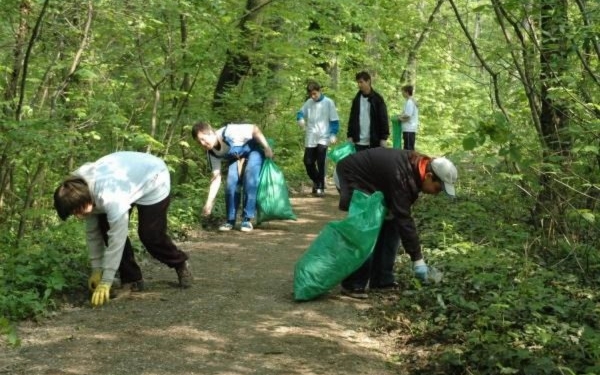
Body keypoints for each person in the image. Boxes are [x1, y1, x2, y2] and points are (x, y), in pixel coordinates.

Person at [53, 151, 193, 307]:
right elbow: (93, 234)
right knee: (104, 228)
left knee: (150, 235)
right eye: (74, 214)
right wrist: (96, 269)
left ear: (85, 200)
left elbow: (117, 238)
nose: (78, 216)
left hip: (154, 178)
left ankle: (180, 263)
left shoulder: (109, 196)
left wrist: (106, 280)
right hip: (126, 181)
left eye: (77, 211)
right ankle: (132, 280)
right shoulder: (81, 191)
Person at [336, 148, 457, 299]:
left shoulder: (414, 170)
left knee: (391, 224)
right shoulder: (403, 176)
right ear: (429, 176)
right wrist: (417, 259)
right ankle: (353, 284)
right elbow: (404, 219)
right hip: (351, 176)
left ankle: (382, 280)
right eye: (438, 188)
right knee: (367, 229)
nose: (436, 193)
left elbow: (400, 213)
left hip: (374, 182)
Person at [191, 121, 274, 232]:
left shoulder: (229, 132)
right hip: (236, 157)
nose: (202, 143)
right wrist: (209, 202)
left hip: (254, 150)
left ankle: (247, 220)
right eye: (198, 142)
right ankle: (230, 221)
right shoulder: (211, 153)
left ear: (211, 132)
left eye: (203, 139)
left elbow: (255, 129)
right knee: (231, 183)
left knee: (250, 179)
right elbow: (216, 178)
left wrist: (267, 147)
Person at [296, 81, 340, 197]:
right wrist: (300, 119)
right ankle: (317, 181)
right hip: (311, 135)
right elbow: (300, 112)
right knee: (308, 161)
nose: (313, 96)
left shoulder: (328, 103)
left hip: (324, 136)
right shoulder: (309, 102)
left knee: (321, 161)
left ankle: (320, 187)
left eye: (315, 94)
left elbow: (334, 120)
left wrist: (333, 133)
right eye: (311, 94)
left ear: (319, 91)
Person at [347, 71, 390, 151]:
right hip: (358, 141)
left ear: (368, 81)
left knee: (374, 163)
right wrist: (350, 135)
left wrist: (383, 138)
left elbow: (383, 119)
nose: (359, 85)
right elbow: (352, 118)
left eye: (361, 82)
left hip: (373, 141)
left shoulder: (377, 99)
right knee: (359, 163)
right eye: (358, 82)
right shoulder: (356, 99)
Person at [397, 85, 419, 150]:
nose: (402, 94)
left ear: (407, 92)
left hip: (409, 128)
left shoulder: (410, 102)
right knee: (407, 148)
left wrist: (400, 118)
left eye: (403, 92)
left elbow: (408, 115)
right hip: (408, 129)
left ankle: (409, 160)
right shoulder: (409, 101)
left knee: (408, 149)